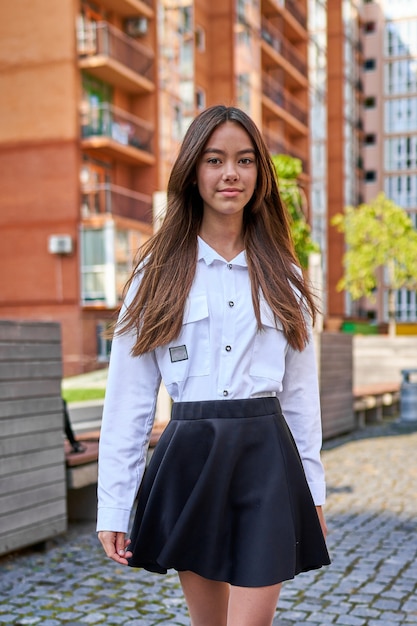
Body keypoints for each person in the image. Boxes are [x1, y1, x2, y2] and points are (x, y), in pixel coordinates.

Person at [97, 104, 330, 626]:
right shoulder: (155, 275)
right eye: (214, 159)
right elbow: (129, 398)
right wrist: (113, 507)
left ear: (260, 174)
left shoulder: (285, 275)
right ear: (192, 171)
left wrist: (312, 490)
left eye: (245, 160)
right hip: (190, 458)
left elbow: (300, 397)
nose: (231, 173)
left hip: (266, 459)